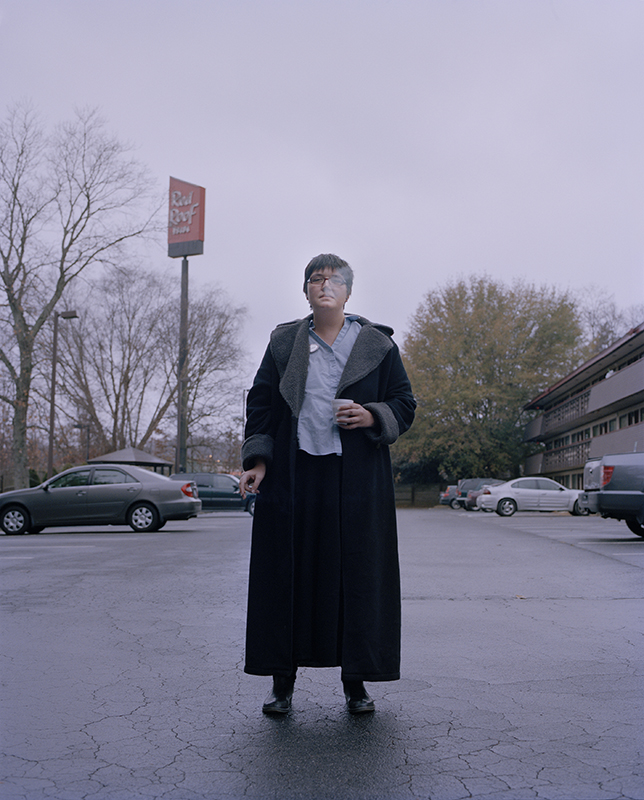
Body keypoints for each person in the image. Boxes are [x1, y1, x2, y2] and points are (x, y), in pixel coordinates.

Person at [239, 253, 416, 714]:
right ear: (306, 291)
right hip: (294, 477)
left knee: (354, 579)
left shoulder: (377, 343)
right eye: (316, 280)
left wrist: (372, 414)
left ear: (348, 292)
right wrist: (257, 461)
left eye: (333, 280)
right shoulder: (284, 343)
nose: (324, 286)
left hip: (356, 480)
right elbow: (260, 404)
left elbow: (404, 402)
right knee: (289, 577)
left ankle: (355, 684)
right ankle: (282, 684)